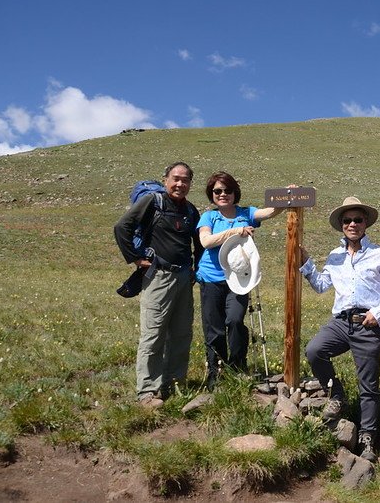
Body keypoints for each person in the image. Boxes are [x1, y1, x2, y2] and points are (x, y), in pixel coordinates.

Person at [300, 197, 380, 463]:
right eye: (347, 220)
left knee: (368, 385)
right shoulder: (335, 256)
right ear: (341, 225)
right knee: (315, 350)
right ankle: (338, 396)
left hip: (368, 324)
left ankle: (368, 438)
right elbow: (322, 285)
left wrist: (377, 314)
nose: (352, 224)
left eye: (357, 219)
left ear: (366, 223)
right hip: (341, 322)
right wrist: (306, 261)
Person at [114, 162, 203, 409]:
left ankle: (174, 383)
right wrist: (134, 258)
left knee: (182, 333)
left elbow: (198, 242)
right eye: (175, 178)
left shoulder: (191, 211)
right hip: (158, 276)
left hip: (184, 278)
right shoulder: (153, 202)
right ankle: (147, 392)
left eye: (185, 180)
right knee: (153, 334)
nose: (180, 184)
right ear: (166, 180)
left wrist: (196, 267)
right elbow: (122, 227)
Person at [196, 171, 286, 387]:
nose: (223, 194)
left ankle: (237, 366)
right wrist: (236, 230)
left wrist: (287, 196)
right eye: (218, 191)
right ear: (212, 194)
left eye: (228, 190)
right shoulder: (209, 217)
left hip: (239, 279)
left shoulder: (247, 212)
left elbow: (271, 212)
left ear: (235, 192)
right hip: (211, 278)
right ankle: (215, 373)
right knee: (214, 327)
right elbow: (206, 242)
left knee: (235, 320)